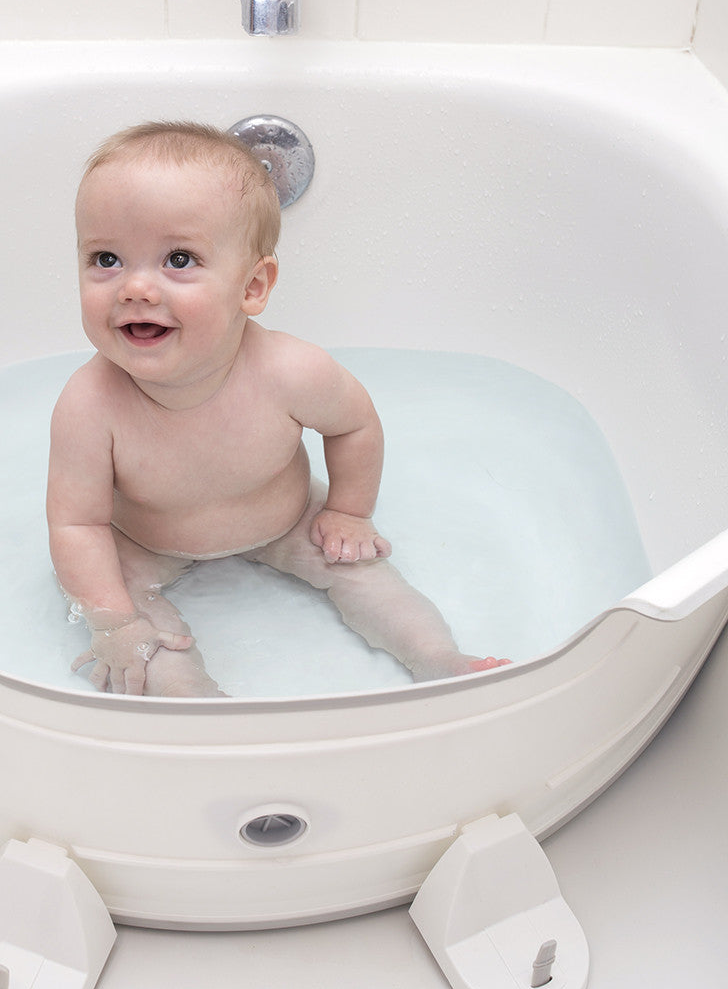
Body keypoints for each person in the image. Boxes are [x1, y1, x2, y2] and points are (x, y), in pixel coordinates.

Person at [47, 122, 508, 697]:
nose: (135, 288)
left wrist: (348, 512)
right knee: (132, 630)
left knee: (362, 574)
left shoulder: (291, 372)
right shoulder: (89, 405)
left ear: (254, 286)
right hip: (141, 539)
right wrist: (113, 621)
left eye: (180, 259)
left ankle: (440, 662)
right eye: (107, 258)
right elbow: (78, 524)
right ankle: (196, 705)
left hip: (285, 520)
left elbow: (356, 425)